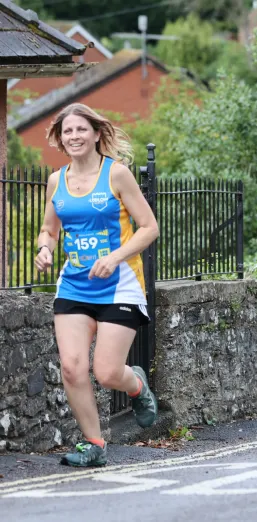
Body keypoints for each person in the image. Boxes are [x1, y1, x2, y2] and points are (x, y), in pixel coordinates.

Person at [34, 103, 159, 466]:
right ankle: (94, 443)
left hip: (119, 284)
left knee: (106, 372)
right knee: (72, 367)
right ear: (60, 138)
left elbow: (149, 227)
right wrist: (44, 248)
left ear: (96, 134)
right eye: (67, 131)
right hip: (73, 284)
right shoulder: (57, 180)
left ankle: (135, 384)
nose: (74, 136)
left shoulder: (116, 174)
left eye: (80, 130)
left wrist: (115, 256)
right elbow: (49, 229)